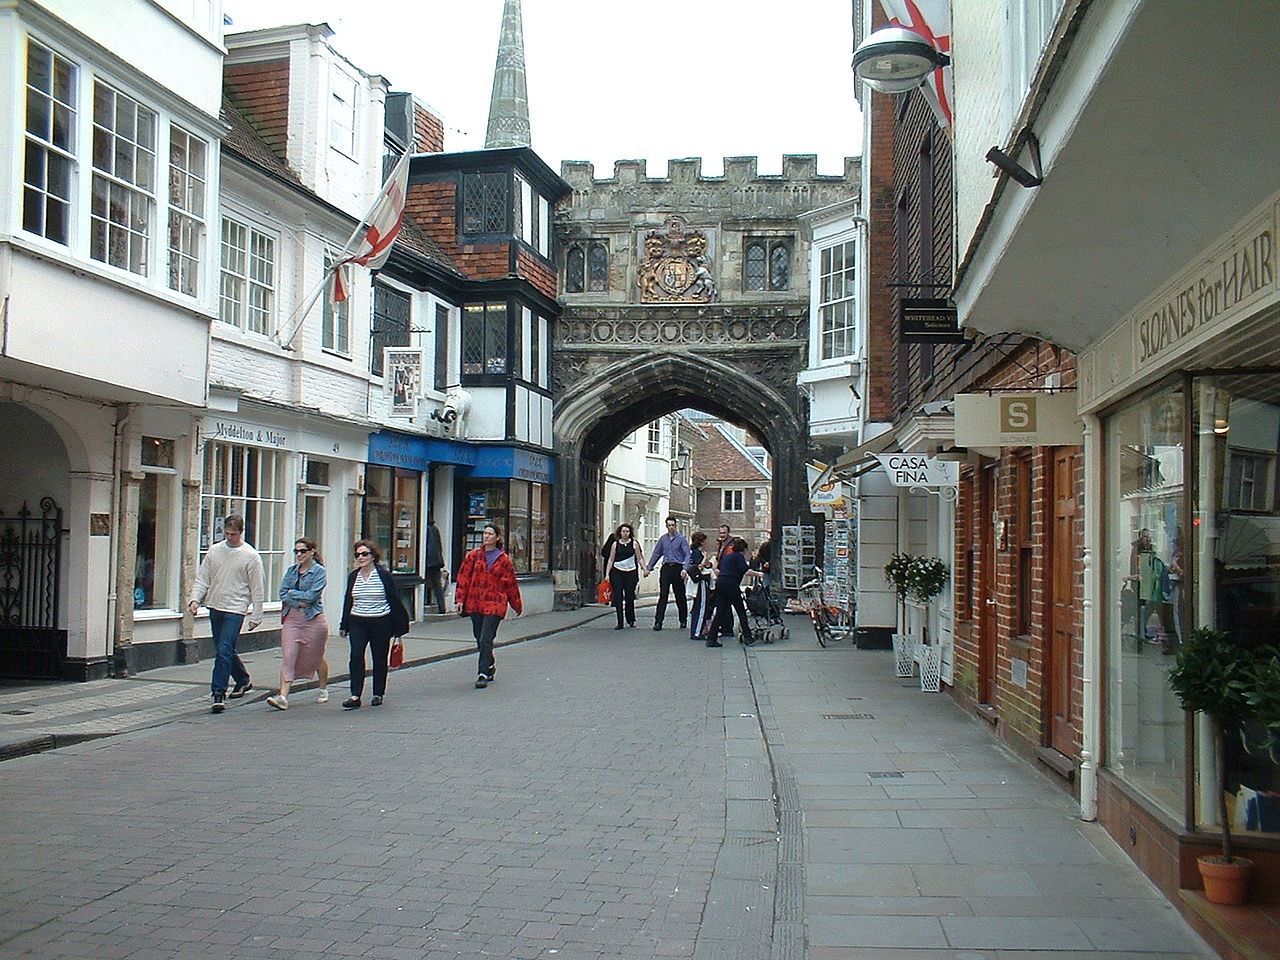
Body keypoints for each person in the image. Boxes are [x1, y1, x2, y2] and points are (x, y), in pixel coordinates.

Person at [188, 514, 264, 714]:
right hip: (215, 604)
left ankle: (218, 693)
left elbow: (257, 588)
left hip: (236, 608)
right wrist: (195, 599)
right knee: (225, 649)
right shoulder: (215, 551)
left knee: (223, 650)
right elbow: (203, 578)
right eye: (227, 533)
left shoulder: (251, 556)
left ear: (241, 532)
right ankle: (243, 679)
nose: (230, 537)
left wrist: (256, 615)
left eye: (234, 534)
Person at [338, 540, 410, 709]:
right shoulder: (353, 576)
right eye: (357, 555)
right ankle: (355, 695)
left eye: (364, 554)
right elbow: (348, 600)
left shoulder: (383, 575)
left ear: (373, 556)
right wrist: (344, 624)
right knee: (356, 656)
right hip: (358, 621)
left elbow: (394, 599)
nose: (360, 558)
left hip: (380, 621)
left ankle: (378, 693)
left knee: (379, 658)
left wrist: (398, 627)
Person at [454, 523, 523, 689]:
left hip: (495, 603)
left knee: (486, 637)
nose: (486, 536)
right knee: (479, 637)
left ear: (497, 537)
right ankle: (490, 664)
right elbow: (463, 578)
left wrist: (516, 604)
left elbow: (510, 584)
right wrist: (459, 600)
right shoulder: (474, 556)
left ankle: (482, 673)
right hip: (476, 602)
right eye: (484, 534)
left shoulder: (503, 559)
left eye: (490, 534)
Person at [266, 538, 330, 710]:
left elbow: (312, 596)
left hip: (313, 619)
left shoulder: (319, 572)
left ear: (312, 552)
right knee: (289, 655)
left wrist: (292, 593)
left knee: (315, 656)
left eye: (303, 551)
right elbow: (282, 593)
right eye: (296, 552)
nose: (299, 555)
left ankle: (323, 688)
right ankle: (283, 696)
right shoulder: (291, 571)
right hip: (292, 619)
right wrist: (297, 601)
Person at [700, 537, 762, 647]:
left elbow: (719, 570)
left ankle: (711, 638)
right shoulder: (738, 557)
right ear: (743, 549)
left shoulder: (727, 557)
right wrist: (758, 574)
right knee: (741, 611)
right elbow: (745, 571)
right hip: (731, 584)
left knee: (719, 612)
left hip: (721, 584)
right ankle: (748, 637)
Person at [647, 517, 691, 631]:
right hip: (666, 568)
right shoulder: (663, 539)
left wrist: (685, 568)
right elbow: (656, 554)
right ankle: (658, 621)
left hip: (677, 568)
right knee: (663, 595)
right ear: (666, 526)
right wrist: (649, 567)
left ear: (675, 525)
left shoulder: (681, 539)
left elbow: (687, 554)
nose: (671, 527)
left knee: (680, 595)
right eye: (669, 525)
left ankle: (683, 620)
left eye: (672, 525)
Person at [605, 523, 646, 629]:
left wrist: (644, 569)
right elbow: (611, 559)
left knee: (629, 596)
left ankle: (631, 619)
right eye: (623, 531)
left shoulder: (634, 544)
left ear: (630, 533)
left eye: (627, 531)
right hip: (617, 572)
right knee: (617, 597)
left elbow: (639, 558)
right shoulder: (615, 544)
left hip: (630, 572)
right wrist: (607, 574)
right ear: (620, 532)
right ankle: (620, 622)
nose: (625, 534)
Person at [686, 531, 715, 640]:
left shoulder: (693, 552)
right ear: (701, 542)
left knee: (697, 607)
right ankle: (697, 632)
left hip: (699, 582)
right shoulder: (697, 553)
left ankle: (697, 630)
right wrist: (705, 558)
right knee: (702, 607)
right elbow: (700, 567)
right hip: (701, 581)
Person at [424, 518, 446, 615]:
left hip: (428, 559)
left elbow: (428, 545)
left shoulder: (426, 529)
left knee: (427, 581)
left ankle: (426, 601)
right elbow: (438, 545)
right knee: (437, 584)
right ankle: (442, 606)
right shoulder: (435, 529)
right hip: (436, 560)